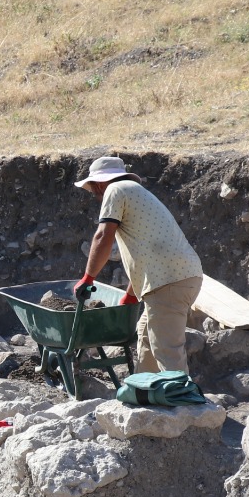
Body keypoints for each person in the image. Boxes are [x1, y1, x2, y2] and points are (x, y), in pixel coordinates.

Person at [72, 155, 204, 374]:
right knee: (145, 337)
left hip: (169, 281)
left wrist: (88, 278)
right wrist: (132, 294)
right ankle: (144, 394)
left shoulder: (115, 190)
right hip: (175, 277)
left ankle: (185, 401)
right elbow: (147, 251)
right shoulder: (134, 192)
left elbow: (103, 236)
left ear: (100, 182)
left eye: (92, 188)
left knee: (166, 349)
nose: (94, 194)